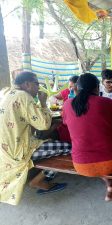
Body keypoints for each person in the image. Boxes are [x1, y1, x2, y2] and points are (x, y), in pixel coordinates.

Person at [0, 72, 71, 205]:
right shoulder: (24, 96)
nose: (39, 88)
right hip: (20, 151)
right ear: (27, 84)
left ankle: (39, 178)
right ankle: (38, 181)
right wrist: (43, 103)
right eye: (37, 84)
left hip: (6, 151)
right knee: (69, 148)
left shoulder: (7, 93)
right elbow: (44, 124)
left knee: (51, 143)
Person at [63, 73, 112, 201]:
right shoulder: (105, 102)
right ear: (97, 88)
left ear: (77, 88)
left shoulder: (67, 105)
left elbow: (71, 122)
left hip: (81, 165)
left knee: (95, 154)